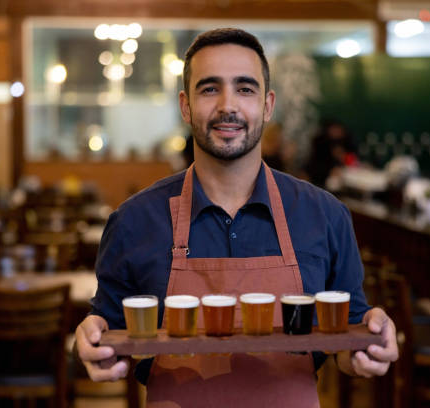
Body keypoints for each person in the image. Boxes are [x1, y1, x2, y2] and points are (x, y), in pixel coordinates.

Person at [76, 28, 398, 407]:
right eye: (209, 88)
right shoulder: (134, 221)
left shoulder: (325, 216)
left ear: (267, 105)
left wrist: (369, 347)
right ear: (185, 106)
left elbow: (349, 342)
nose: (228, 105)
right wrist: (95, 344)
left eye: (245, 89)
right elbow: (109, 337)